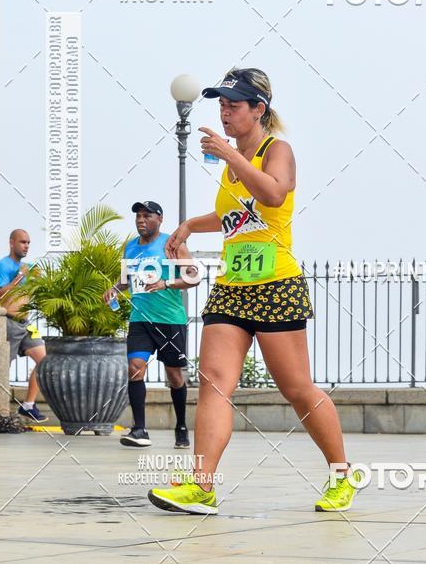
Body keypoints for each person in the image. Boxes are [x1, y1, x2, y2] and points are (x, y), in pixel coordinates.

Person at [147, 67, 359, 516]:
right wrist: (188, 225)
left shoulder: (275, 150)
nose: (224, 113)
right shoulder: (231, 163)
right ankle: (202, 486)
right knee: (214, 384)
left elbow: (274, 195)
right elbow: (234, 217)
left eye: (233, 105)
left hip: (276, 285)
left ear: (258, 108)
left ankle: (341, 474)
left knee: (297, 388)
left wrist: (231, 156)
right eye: (220, 105)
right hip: (232, 289)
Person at [103, 201, 195, 449]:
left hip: (170, 320)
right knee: (135, 368)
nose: (140, 220)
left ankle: (181, 426)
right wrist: (114, 288)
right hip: (140, 319)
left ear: (159, 219)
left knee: (174, 377)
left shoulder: (172, 244)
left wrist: (166, 284)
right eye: (138, 216)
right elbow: (126, 278)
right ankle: (140, 429)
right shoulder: (131, 247)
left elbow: (193, 276)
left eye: (146, 215)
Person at [0, 229, 48, 422]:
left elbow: (41, 289)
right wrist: (19, 276)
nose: (26, 246)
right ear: (11, 243)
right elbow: (0, 294)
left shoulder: (29, 266)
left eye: (28, 243)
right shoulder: (3, 265)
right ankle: (0, 409)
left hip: (25, 324)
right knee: (2, 368)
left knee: (44, 361)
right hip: (8, 322)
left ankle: (28, 405)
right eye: (22, 242)